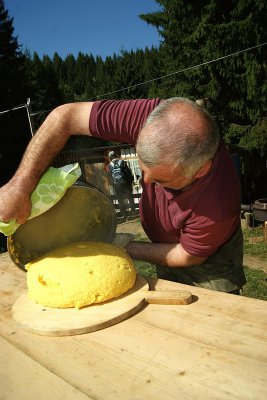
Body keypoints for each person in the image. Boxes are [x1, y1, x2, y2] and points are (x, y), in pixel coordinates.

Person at [0, 98, 246, 293]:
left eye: (161, 180)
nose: (146, 182)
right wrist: (20, 186)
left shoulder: (217, 207)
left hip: (210, 268)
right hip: (170, 247)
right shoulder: (156, 120)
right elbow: (66, 116)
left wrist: (124, 246)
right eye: (142, 167)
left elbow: (188, 255)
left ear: (200, 171)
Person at [107, 150, 136, 220]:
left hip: (116, 185)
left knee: (120, 200)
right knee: (130, 197)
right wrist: (131, 182)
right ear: (116, 156)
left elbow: (110, 177)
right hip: (125, 183)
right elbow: (128, 173)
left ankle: (124, 215)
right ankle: (133, 213)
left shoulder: (109, 166)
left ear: (110, 158)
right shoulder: (122, 162)